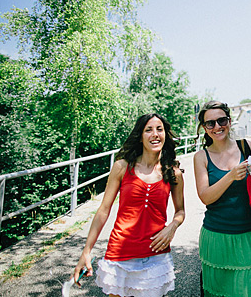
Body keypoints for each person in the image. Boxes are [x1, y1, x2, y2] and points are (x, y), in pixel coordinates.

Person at [72, 113, 186, 297]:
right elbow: (103, 210)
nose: (155, 134)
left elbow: (180, 211)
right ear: (140, 136)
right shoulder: (122, 167)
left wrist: (173, 226)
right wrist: (87, 251)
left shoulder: (173, 173)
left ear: (166, 135)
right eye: (148, 130)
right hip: (120, 255)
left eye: (159, 129)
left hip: (156, 256)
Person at [192, 101, 251, 296]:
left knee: (248, 291)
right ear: (204, 128)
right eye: (210, 123)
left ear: (229, 120)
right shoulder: (201, 157)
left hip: (248, 236)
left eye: (221, 120)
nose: (217, 127)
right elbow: (206, 197)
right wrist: (231, 176)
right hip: (216, 237)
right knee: (218, 293)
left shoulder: (247, 147)